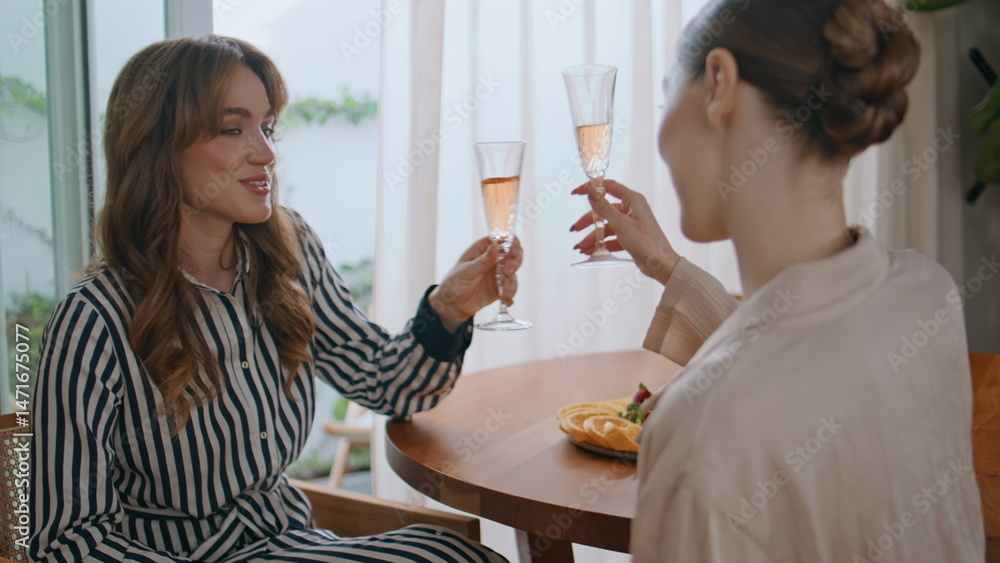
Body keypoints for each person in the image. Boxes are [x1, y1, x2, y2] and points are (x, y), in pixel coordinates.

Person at [29, 35, 515, 562]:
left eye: (266, 127)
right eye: (232, 129)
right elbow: (66, 541)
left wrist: (449, 308)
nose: (266, 153)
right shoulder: (93, 320)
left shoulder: (288, 251)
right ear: (157, 147)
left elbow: (383, 382)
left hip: (291, 543)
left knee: (458, 554)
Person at [570, 0, 985, 560]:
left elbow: (770, 374)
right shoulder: (927, 294)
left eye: (668, 98)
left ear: (719, 84)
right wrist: (666, 265)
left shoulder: (705, 439)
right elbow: (805, 351)